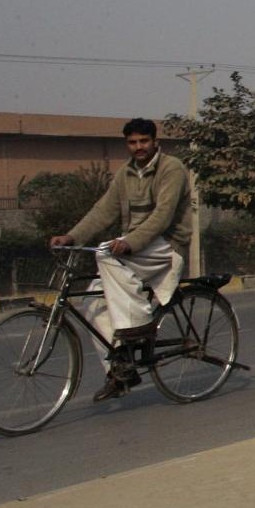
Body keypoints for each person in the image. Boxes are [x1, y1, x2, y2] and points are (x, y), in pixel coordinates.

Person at [49, 118, 194, 401]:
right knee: (92, 299)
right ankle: (119, 371)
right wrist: (71, 237)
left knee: (105, 254)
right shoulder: (125, 174)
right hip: (136, 249)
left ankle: (137, 325)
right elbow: (102, 211)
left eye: (144, 141)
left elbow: (162, 217)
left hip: (166, 244)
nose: (138, 147)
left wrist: (130, 242)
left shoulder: (171, 169)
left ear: (155, 142)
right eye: (132, 142)